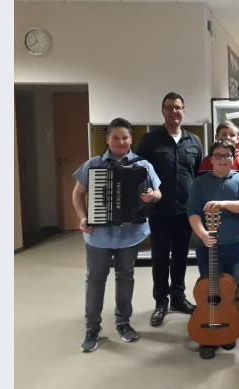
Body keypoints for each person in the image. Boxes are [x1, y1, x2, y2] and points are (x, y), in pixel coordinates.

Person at [71, 118, 162, 353]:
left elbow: (158, 192)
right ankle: (92, 328)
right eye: (115, 137)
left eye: (125, 137)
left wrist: (152, 195)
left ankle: (123, 323)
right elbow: (78, 194)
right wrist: (82, 217)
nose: (120, 142)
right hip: (98, 235)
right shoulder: (93, 165)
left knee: (125, 277)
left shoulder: (143, 165)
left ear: (131, 139)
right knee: (95, 279)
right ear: (108, 139)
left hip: (129, 234)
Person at [136, 92, 203, 327]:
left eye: (178, 107)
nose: (174, 112)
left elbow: (199, 174)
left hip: (186, 211)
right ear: (162, 111)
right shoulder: (150, 140)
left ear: (183, 111)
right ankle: (160, 302)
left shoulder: (194, 141)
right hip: (159, 211)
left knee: (181, 257)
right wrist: (147, 194)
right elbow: (138, 171)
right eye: (169, 108)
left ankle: (178, 297)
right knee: (160, 258)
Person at [187, 139, 239, 359]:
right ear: (211, 159)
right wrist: (203, 234)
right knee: (209, 290)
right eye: (218, 155)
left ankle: (227, 329)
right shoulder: (200, 182)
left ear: (234, 157)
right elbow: (194, 213)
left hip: (234, 246)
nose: (222, 159)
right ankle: (208, 333)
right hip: (207, 247)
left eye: (227, 155)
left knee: (231, 289)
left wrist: (221, 203)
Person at [198, 120, 239, 271]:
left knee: (238, 271)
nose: (228, 137)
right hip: (211, 227)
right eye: (224, 134)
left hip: (236, 229)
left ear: (238, 138)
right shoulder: (206, 162)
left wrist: (225, 203)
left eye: (232, 134)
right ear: (217, 136)